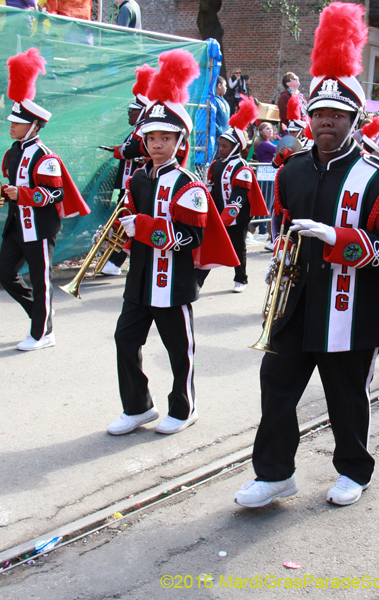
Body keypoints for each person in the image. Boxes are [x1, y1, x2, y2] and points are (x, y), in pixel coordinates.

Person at [234, 2, 379, 510]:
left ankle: (353, 470)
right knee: (276, 388)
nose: (325, 122)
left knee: (346, 397)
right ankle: (275, 473)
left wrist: (343, 240)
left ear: (354, 120)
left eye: (336, 115)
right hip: (296, 302)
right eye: (318, 113)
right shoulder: (292, 169)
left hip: (352, 307)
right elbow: (284, 228)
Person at [107, 49, 238, 436]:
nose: (156, 144)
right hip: (140, 279)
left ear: (179, 140)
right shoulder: (138, 180)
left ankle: (184, 408)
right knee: (124, 339)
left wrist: (142, 228)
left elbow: (188, 237)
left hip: (173, 282)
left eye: (165, 137)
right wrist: (117, 233)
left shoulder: (190, 185)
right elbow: (129, 222)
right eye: (151, 137)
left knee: (179, 351)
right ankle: (137, 407)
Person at [0, 48, 90, 351]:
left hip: (39, 227)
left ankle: (43, 333)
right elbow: (11, 185)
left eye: (17, 122)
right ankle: (40, 314)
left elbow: (55, 193)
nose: (11, 125)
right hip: (16, 226)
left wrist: (24, 195)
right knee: (4, 273)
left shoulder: (46, 157)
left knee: (39, 278)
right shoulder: (13, 151)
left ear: (33, 125)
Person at [198, 95, 269, 293]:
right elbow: (211, 189)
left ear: (236, 147)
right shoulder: (215, 165)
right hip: (218, 214)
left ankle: (241, 279)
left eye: (225, 146)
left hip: (237, 216)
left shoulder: (243, 168)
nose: (220, 149)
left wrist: (226, 217)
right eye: (220, 145)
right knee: (210, 245)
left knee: (238, 248)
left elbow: (238, 198)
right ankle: (198, 281)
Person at [102, 64, 155, 277]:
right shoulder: (137, 128)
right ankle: (113, 260)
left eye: (132, 110)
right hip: (129, 184)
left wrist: (118, 151)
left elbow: (130, 150)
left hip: (137, 184)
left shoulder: (144, 128)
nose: (129, 114)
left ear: (141, 110)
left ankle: (115, 261)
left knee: (127, 220)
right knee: (123, 221)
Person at [212, 76, 230, 140]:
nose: (226, 88)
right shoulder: (213, 100)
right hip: (216, 138)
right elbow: (211, 119)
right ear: (219, 85)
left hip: (226, 136)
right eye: (225, 85)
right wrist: (219, 133)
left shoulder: (223, 100)